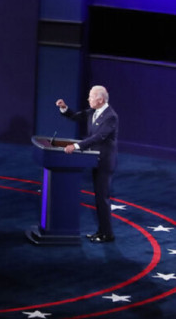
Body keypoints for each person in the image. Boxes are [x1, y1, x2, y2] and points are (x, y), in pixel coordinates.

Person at [56, 85, 119, 243]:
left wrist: (77, 146)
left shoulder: (111, 117)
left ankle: (108, 234)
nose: (88, 99)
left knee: (102, 198)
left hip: (104, 162)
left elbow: (98, 137)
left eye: (91, 97)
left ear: (100, 100)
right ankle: (101, 231)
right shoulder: (93, 111)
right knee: (98, 198)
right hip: (94, 159)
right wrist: (65, 108)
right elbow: (76, 116)